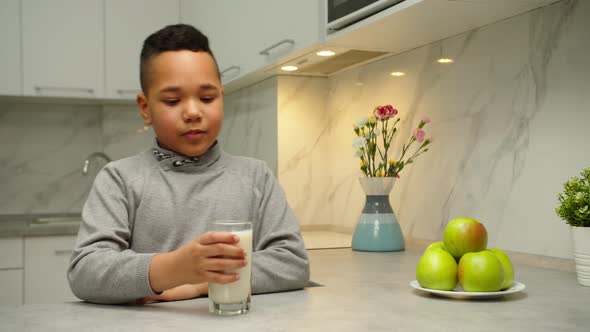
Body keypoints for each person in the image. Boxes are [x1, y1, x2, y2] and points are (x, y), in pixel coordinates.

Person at [67, 24, 310, 304]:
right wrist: (173, 268)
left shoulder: (256, 176)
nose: (193, 112)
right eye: (172, 100)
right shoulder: (119, 178)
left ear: (221, 96)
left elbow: (293, 263)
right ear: (145, 108)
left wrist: (201, 282)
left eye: (207, 98)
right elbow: (85, 271)